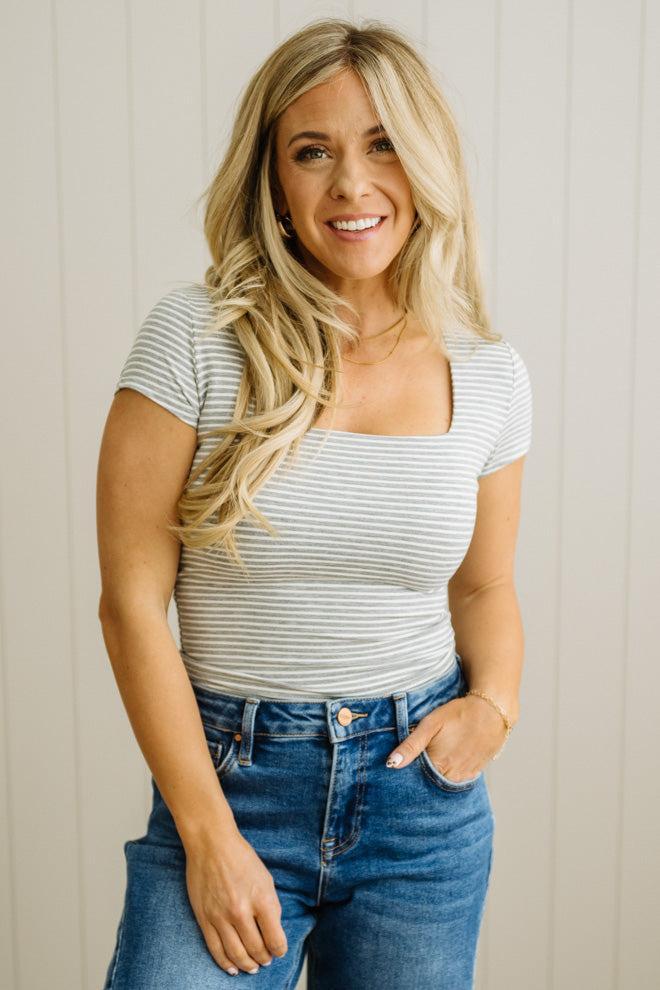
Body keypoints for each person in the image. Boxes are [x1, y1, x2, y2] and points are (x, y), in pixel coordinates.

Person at [97, 16, 532, 989]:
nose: (351, 185)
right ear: (273, 181)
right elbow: (130, 602)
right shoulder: (194, 342)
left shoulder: (490, 375)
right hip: (231, 784)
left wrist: (491, 711)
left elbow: (486, 588)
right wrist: (209, 838)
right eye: (312, 151)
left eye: (383, 144)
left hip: (419, 808)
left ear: (426, 163)